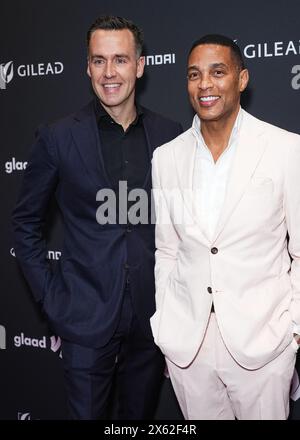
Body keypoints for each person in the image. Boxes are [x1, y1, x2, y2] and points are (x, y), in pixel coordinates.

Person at [12, 15, 182, 420]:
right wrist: (53, 301)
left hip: (152, 316)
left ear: (139, 66)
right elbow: (25, 224)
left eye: (120, 60)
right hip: (84, 318)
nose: (110, 73)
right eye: (99, 60)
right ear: (87, 66)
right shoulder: (57, 136)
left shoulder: (170, 134)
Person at [150, 34, 300, 420]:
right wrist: (166, 325)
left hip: (262, 342)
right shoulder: (166, 157)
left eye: (218, 72)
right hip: (189, 345)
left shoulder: (286, 149)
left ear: (242, 78)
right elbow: (167, 249)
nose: (205, 84)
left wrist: (293, 331)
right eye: (194, 74)